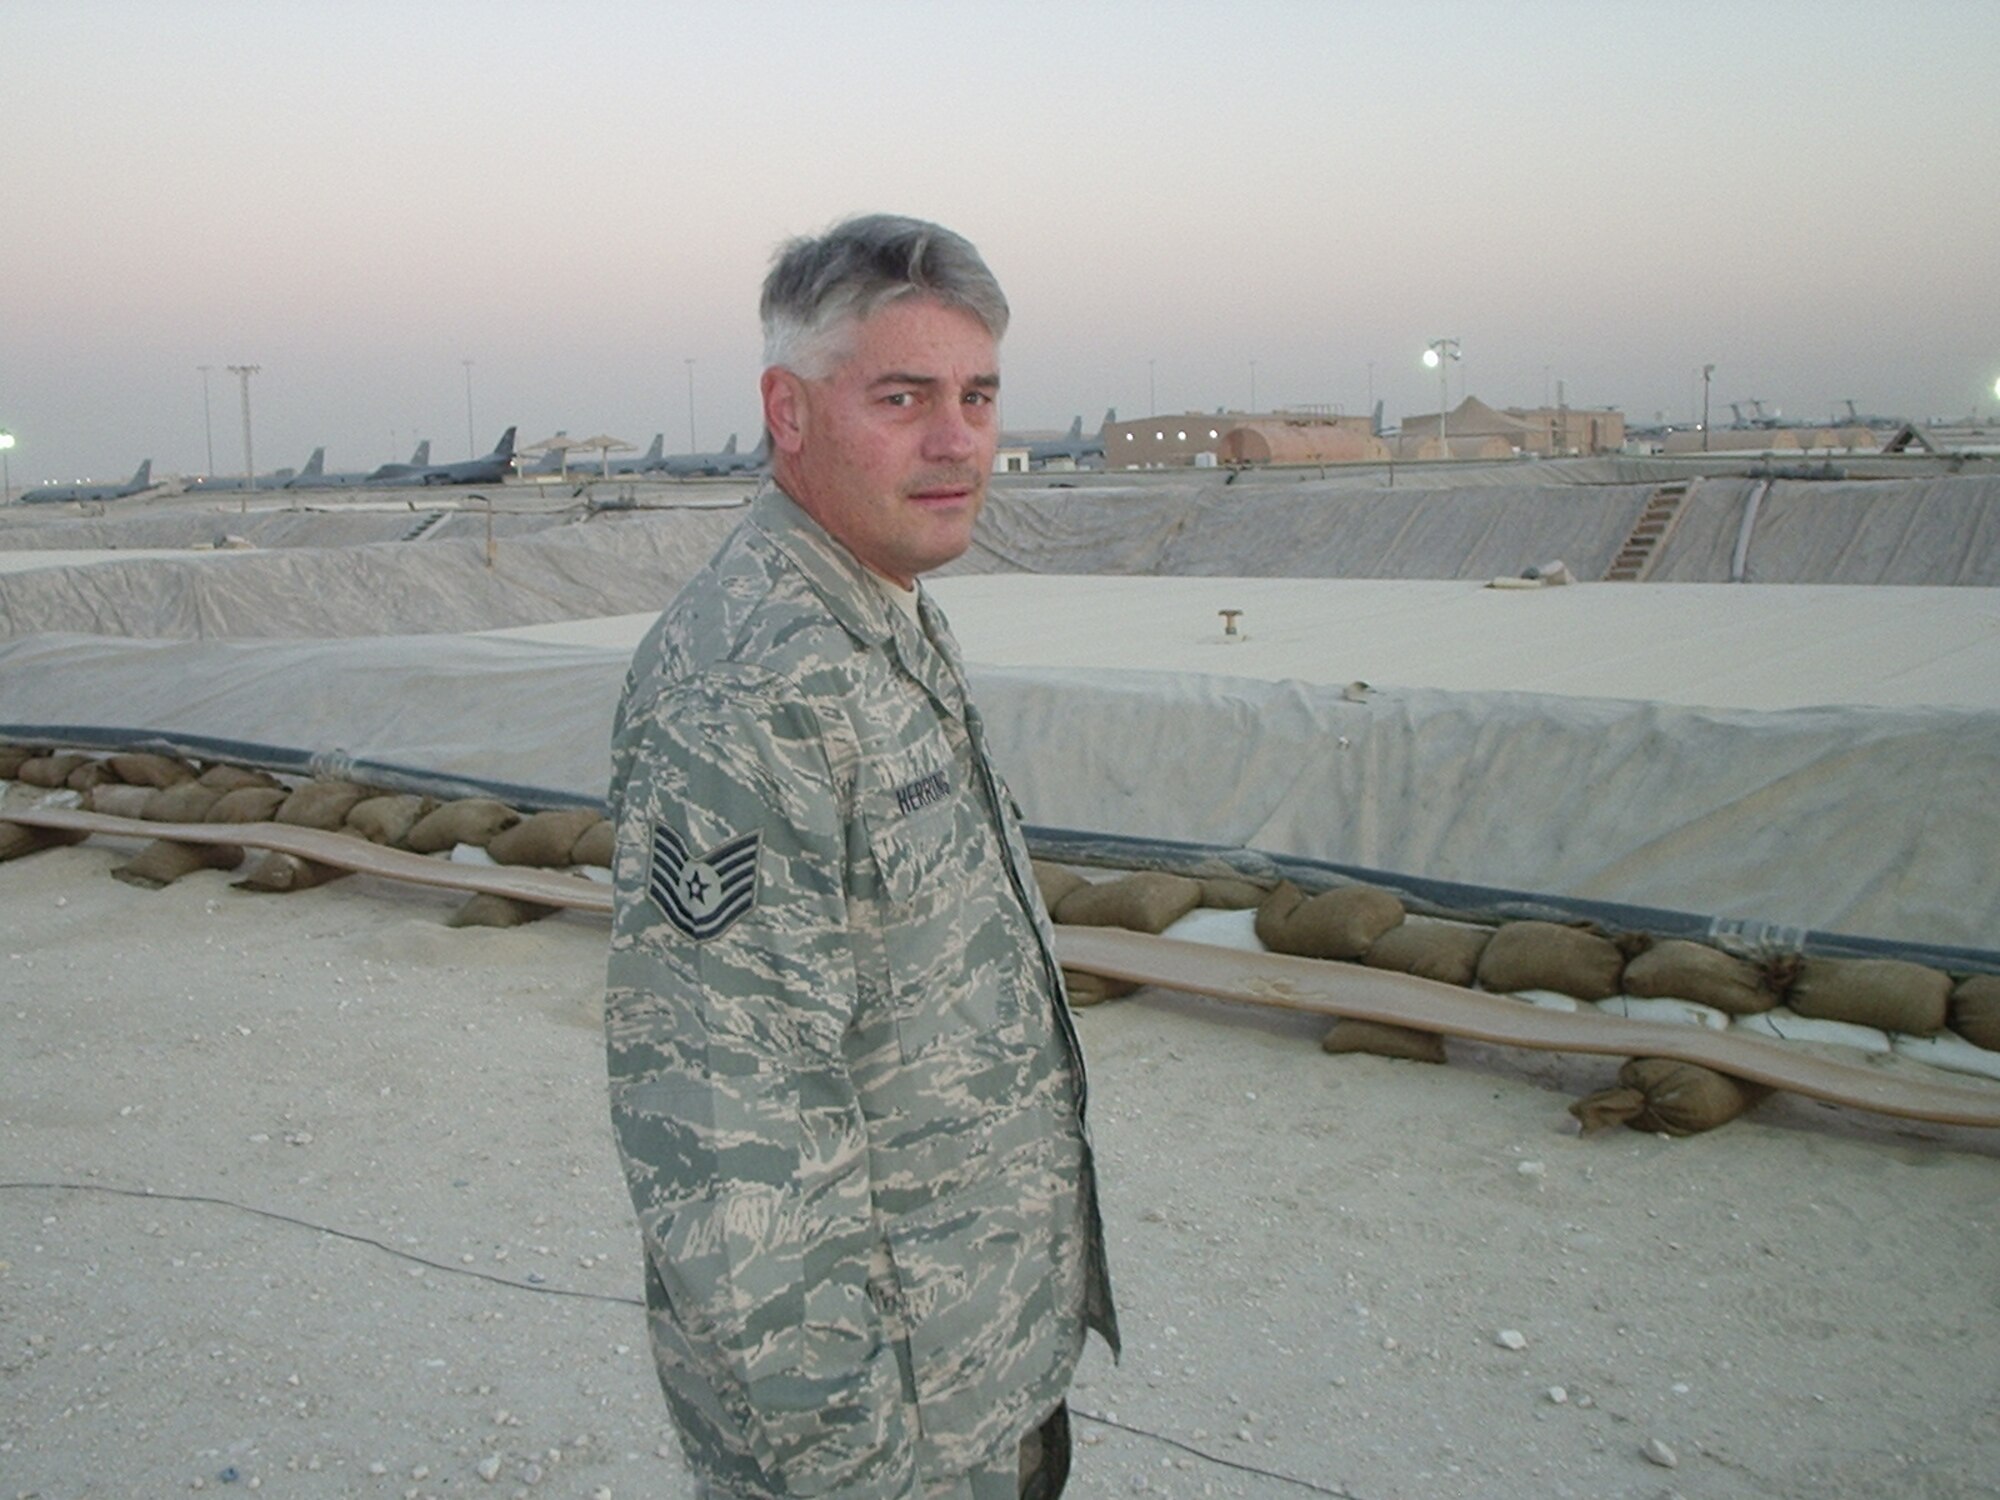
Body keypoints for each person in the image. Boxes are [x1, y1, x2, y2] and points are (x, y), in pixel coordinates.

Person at [604, 213, 1118, 1500]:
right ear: (789, 410)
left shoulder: (877, 610)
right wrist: (852, 1468)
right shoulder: (747, 690)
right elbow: (732, 1144)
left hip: (978, 1373)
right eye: (903, 397)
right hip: (882, 1441)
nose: (958, 442)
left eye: (978, 395)